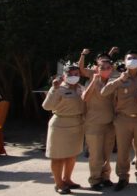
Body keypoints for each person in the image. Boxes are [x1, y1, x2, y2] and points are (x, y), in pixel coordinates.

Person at [101, 53, 137, 191]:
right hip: (123, 118)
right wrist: (119, 81)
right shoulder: (118, 77)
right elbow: (104, 92)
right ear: (124, 61)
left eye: (135, 58)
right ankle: (123, 177)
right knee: (123, 150)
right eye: (129, 58)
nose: (132, 60)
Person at [43, 65, 85, 195]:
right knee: (58, 156)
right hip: (60, 124)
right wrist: (54, 89)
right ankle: (58, 183)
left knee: (71, 155)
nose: (74, 76)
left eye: (76, 73)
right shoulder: (58, 88)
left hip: (77, 124)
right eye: (71, 74)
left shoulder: (81, 89)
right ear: (64, 76)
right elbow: (47, 106)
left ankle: (67, 179)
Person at [79, 50, 116, 191]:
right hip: (94, 124)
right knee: (95, 155)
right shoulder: (92, 81)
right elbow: (85, 98)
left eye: (107, 68)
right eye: (102, 68)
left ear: (111, 69)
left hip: (109, 123)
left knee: (107, 153)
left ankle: (105, 177)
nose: (105, 70)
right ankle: (94, 179)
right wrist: (94, 81)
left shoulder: (113, 82)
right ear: (96, 69)